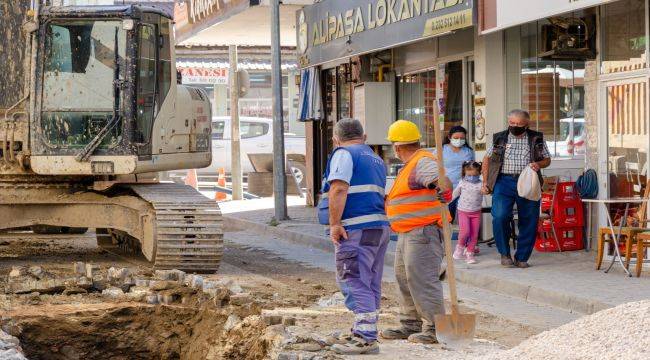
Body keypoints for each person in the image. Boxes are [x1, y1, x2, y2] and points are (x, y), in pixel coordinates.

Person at [317, 118, 390, 355]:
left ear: (335, 139)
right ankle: (364, 329)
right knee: (369, 280)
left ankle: (365, 337)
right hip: (377, 227)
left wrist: (335, 223)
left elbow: (338, 188)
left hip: (355, 228)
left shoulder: (344, 154)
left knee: (353, 278)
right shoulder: (375, 157)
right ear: (364, 136)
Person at [380, 120, 451, 344]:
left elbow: (442, 180)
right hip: (408, 232)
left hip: (423, 233)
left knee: (422, 279)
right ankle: (410, 324)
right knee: (405, 278)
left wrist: (442, 187)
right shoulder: (412, 164)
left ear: (397, 146)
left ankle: (434, 328)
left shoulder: (422, 161)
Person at [482, 109, 551, 268]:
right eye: (512, 123)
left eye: (519, 124)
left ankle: (522, 257)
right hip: (503, 181)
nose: (515, 126)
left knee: (529, 219)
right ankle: (504, 253)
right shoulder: (499, 138)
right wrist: (485, 182)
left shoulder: (536, 138)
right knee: (499, 216)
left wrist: (538, 164)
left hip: (528, 181)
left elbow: (547, 160)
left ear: (527, 124)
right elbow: (487, 159)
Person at [439, 126, 475, 221]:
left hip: (463, 188)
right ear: (449, 137)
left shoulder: (468, 151)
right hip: (446, 188)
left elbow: (472, 168)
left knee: (464, 217)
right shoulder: (442, 149)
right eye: (456, 138)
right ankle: (447, 235)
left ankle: (464, 235)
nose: (459, 140)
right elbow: (433, 165)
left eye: (462, 138)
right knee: (448, 217)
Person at [452, 161, 484, 264]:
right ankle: (460, 247)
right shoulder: (462, 183)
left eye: (474, 175)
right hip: (463, 211)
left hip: (476, 212)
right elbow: (455, 194)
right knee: (465, 231)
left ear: (479, 173)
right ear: (464, 173)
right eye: (469, 175)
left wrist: (487, 190)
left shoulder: (481, 184)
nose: (471, 177)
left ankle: (470, 253)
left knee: (474, 234)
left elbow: (487, 192)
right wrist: (446, 201)